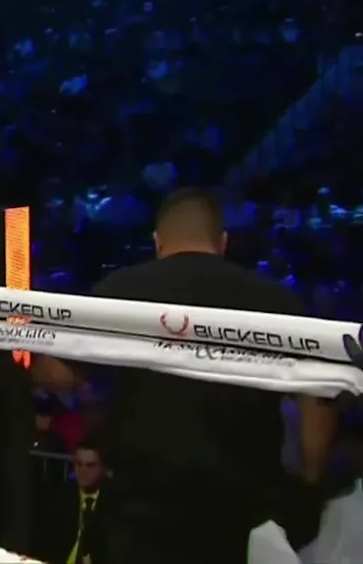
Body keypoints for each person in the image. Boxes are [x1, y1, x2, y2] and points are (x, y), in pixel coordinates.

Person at [34, 187, 337, 564]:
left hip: (143, 512)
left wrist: (23, 333)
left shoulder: (120, 292)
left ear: (157, 241)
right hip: (242, 516)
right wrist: (309, 482)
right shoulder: (275, 302)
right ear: (222, 242)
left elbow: (57, 373)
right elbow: (319, 398)